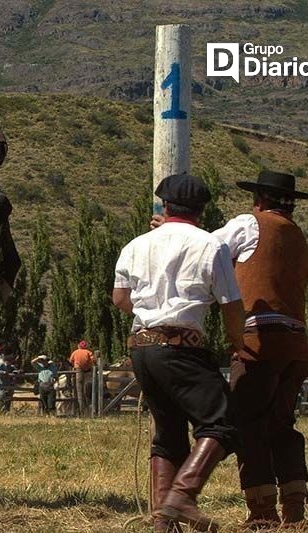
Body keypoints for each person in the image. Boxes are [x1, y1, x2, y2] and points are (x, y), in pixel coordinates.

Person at [113, 174, 245, 533]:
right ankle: (182, 496)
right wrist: (238, 340)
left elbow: (120, 299)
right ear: (202, 210)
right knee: (222, 422)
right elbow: (231, 304)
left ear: (165, 206)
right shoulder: (211, 246)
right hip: (180, 347)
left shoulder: (135, 245)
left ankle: (162, 522)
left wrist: (151, 314)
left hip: (142, 349)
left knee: (168, 433)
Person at [214, 171, 308, 527]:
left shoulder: (248, 224)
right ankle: (295, 506)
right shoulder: (296, 236)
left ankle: (261, 510)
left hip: (260, 341)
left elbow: (206, 251)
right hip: (296, 344)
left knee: (248, 423)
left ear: (259, 199)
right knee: (282, 423)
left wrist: (169, 232)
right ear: (290, 204)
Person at [69, 340, 97, 415]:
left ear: (79, 346)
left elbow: (71, 361)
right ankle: (89, 409)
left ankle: (81, 410)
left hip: (78, 371)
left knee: (79, 391)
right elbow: (94, 360)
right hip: (87, 372)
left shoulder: (75, 352)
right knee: (87, 390)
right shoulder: (88, 352)